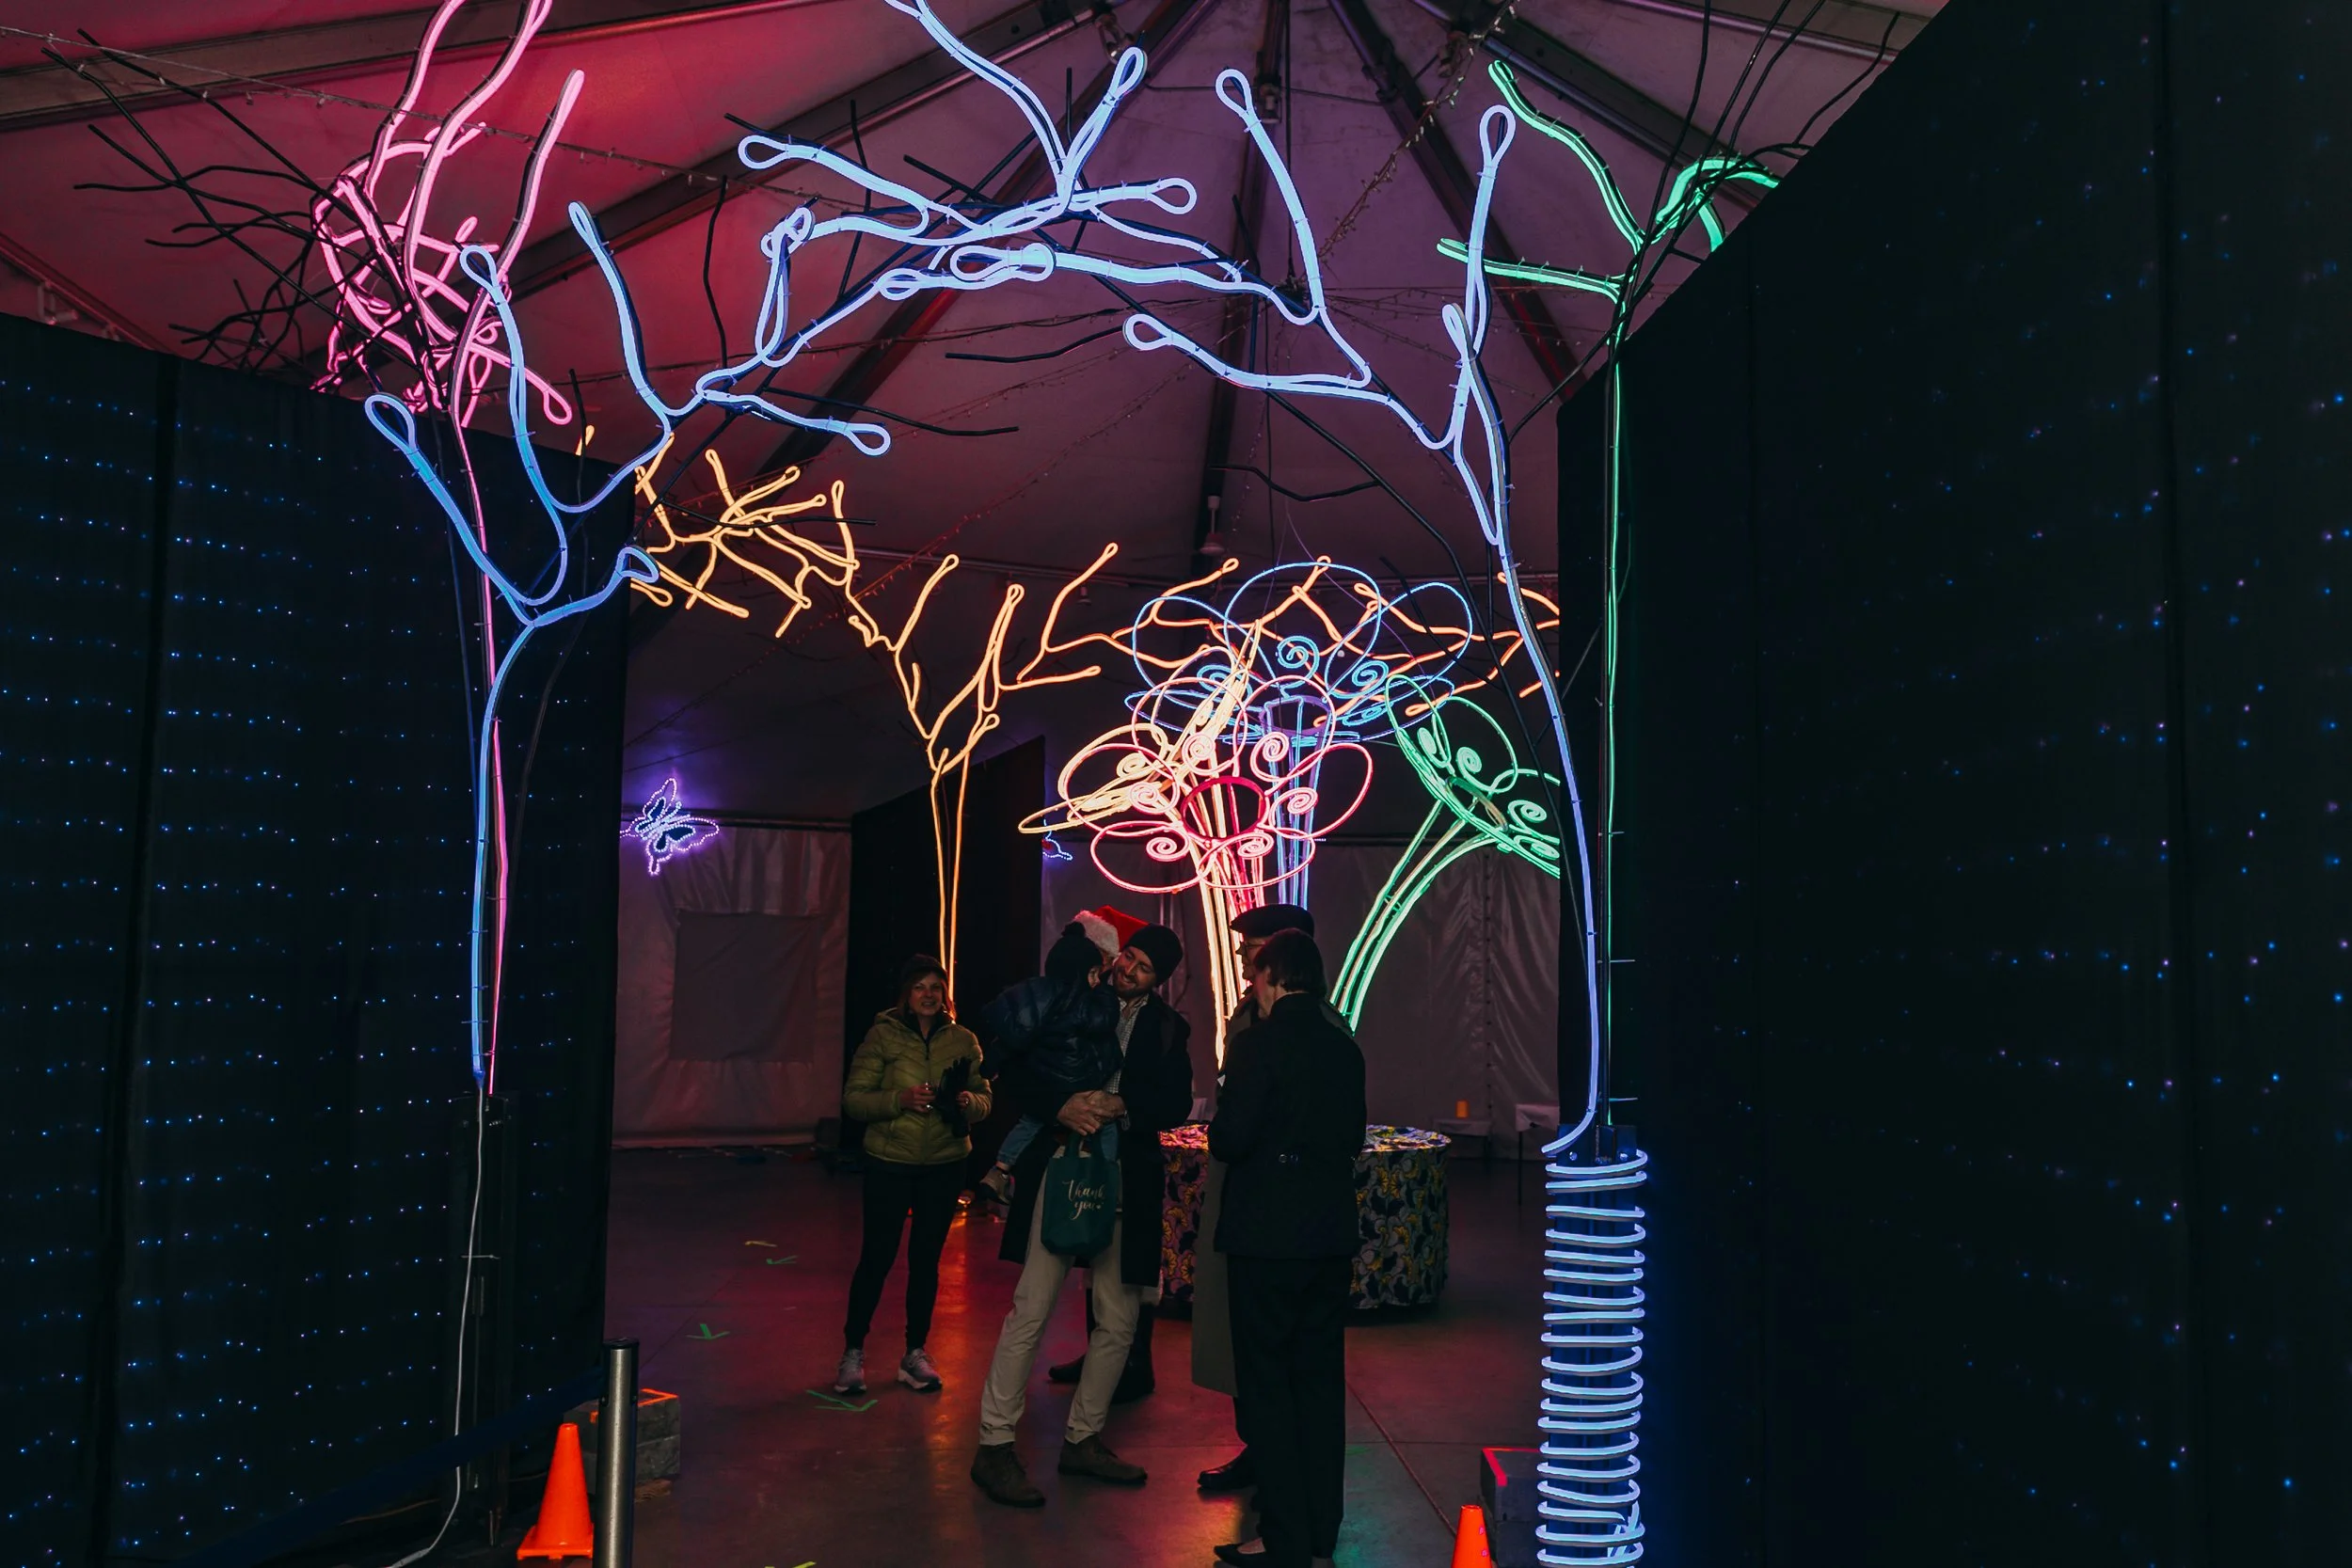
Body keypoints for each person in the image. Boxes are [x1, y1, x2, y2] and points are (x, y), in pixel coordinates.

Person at [970, 924, 1195, 1508]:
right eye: (1130, 955)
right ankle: (994, 1444)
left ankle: (1084, 1439)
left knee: (1118, 1319)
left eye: (1144, 967)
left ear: (1158, 982)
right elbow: (1017, 1076)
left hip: (1128, 1179)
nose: (1129, 968)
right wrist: (1062, 1105)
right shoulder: (1069, 996)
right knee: (1032, 1306)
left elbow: (1175, 1103)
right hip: (1060, 1167)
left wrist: (1121, 1105)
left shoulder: (1170, 1030)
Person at [1209, 928, 1365, 1568]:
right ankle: (1322, 1537)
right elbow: (1352, 1137)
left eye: (1255, 976)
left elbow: (1229, 1139)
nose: (1253, 987)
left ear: (1272, 976)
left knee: (1269, 1389)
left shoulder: (1254, 1046)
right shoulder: (1343, 1048)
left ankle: (1284, 1538)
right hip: (1327, 1232)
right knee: (1321, 1388)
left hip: (1266, 1235)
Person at [834, 955, 989, 1398]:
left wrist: (965, 1104)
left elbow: (984, 1098)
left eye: (935, 987)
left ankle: (915, 1354)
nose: (928, 995)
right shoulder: (883, 1035)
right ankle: (852, 1353)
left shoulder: (963, 1039)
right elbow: (854, 1100)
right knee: (876, 1259)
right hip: (890, 1162)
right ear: (906, 994)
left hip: (943, 1164)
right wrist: (898, 1099)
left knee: (926, 1262)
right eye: (919, 987)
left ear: (945, 995)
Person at [976, 911, 1131, 1202]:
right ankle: (1110, 1181)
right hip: (1079, 1081)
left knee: (1029, 1123)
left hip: (1052, 1081)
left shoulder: (1039, 995)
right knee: (1105, 1129)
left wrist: (991, 1062)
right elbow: (1104, 1023)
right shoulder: (1087, 1003)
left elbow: (1015, 1033)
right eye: (1099, 970)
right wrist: (1105, 995)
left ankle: (999, 1170)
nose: (1104, 975)